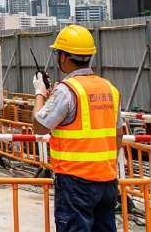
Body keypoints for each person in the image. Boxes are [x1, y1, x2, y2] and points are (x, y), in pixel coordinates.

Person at [32, 24, 123, 232]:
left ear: (64, 57)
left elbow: (39, 126)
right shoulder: (110, 89)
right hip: (107, 181)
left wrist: (40, 93)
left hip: (76, 183)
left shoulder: (67, 90)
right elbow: (118, 135)